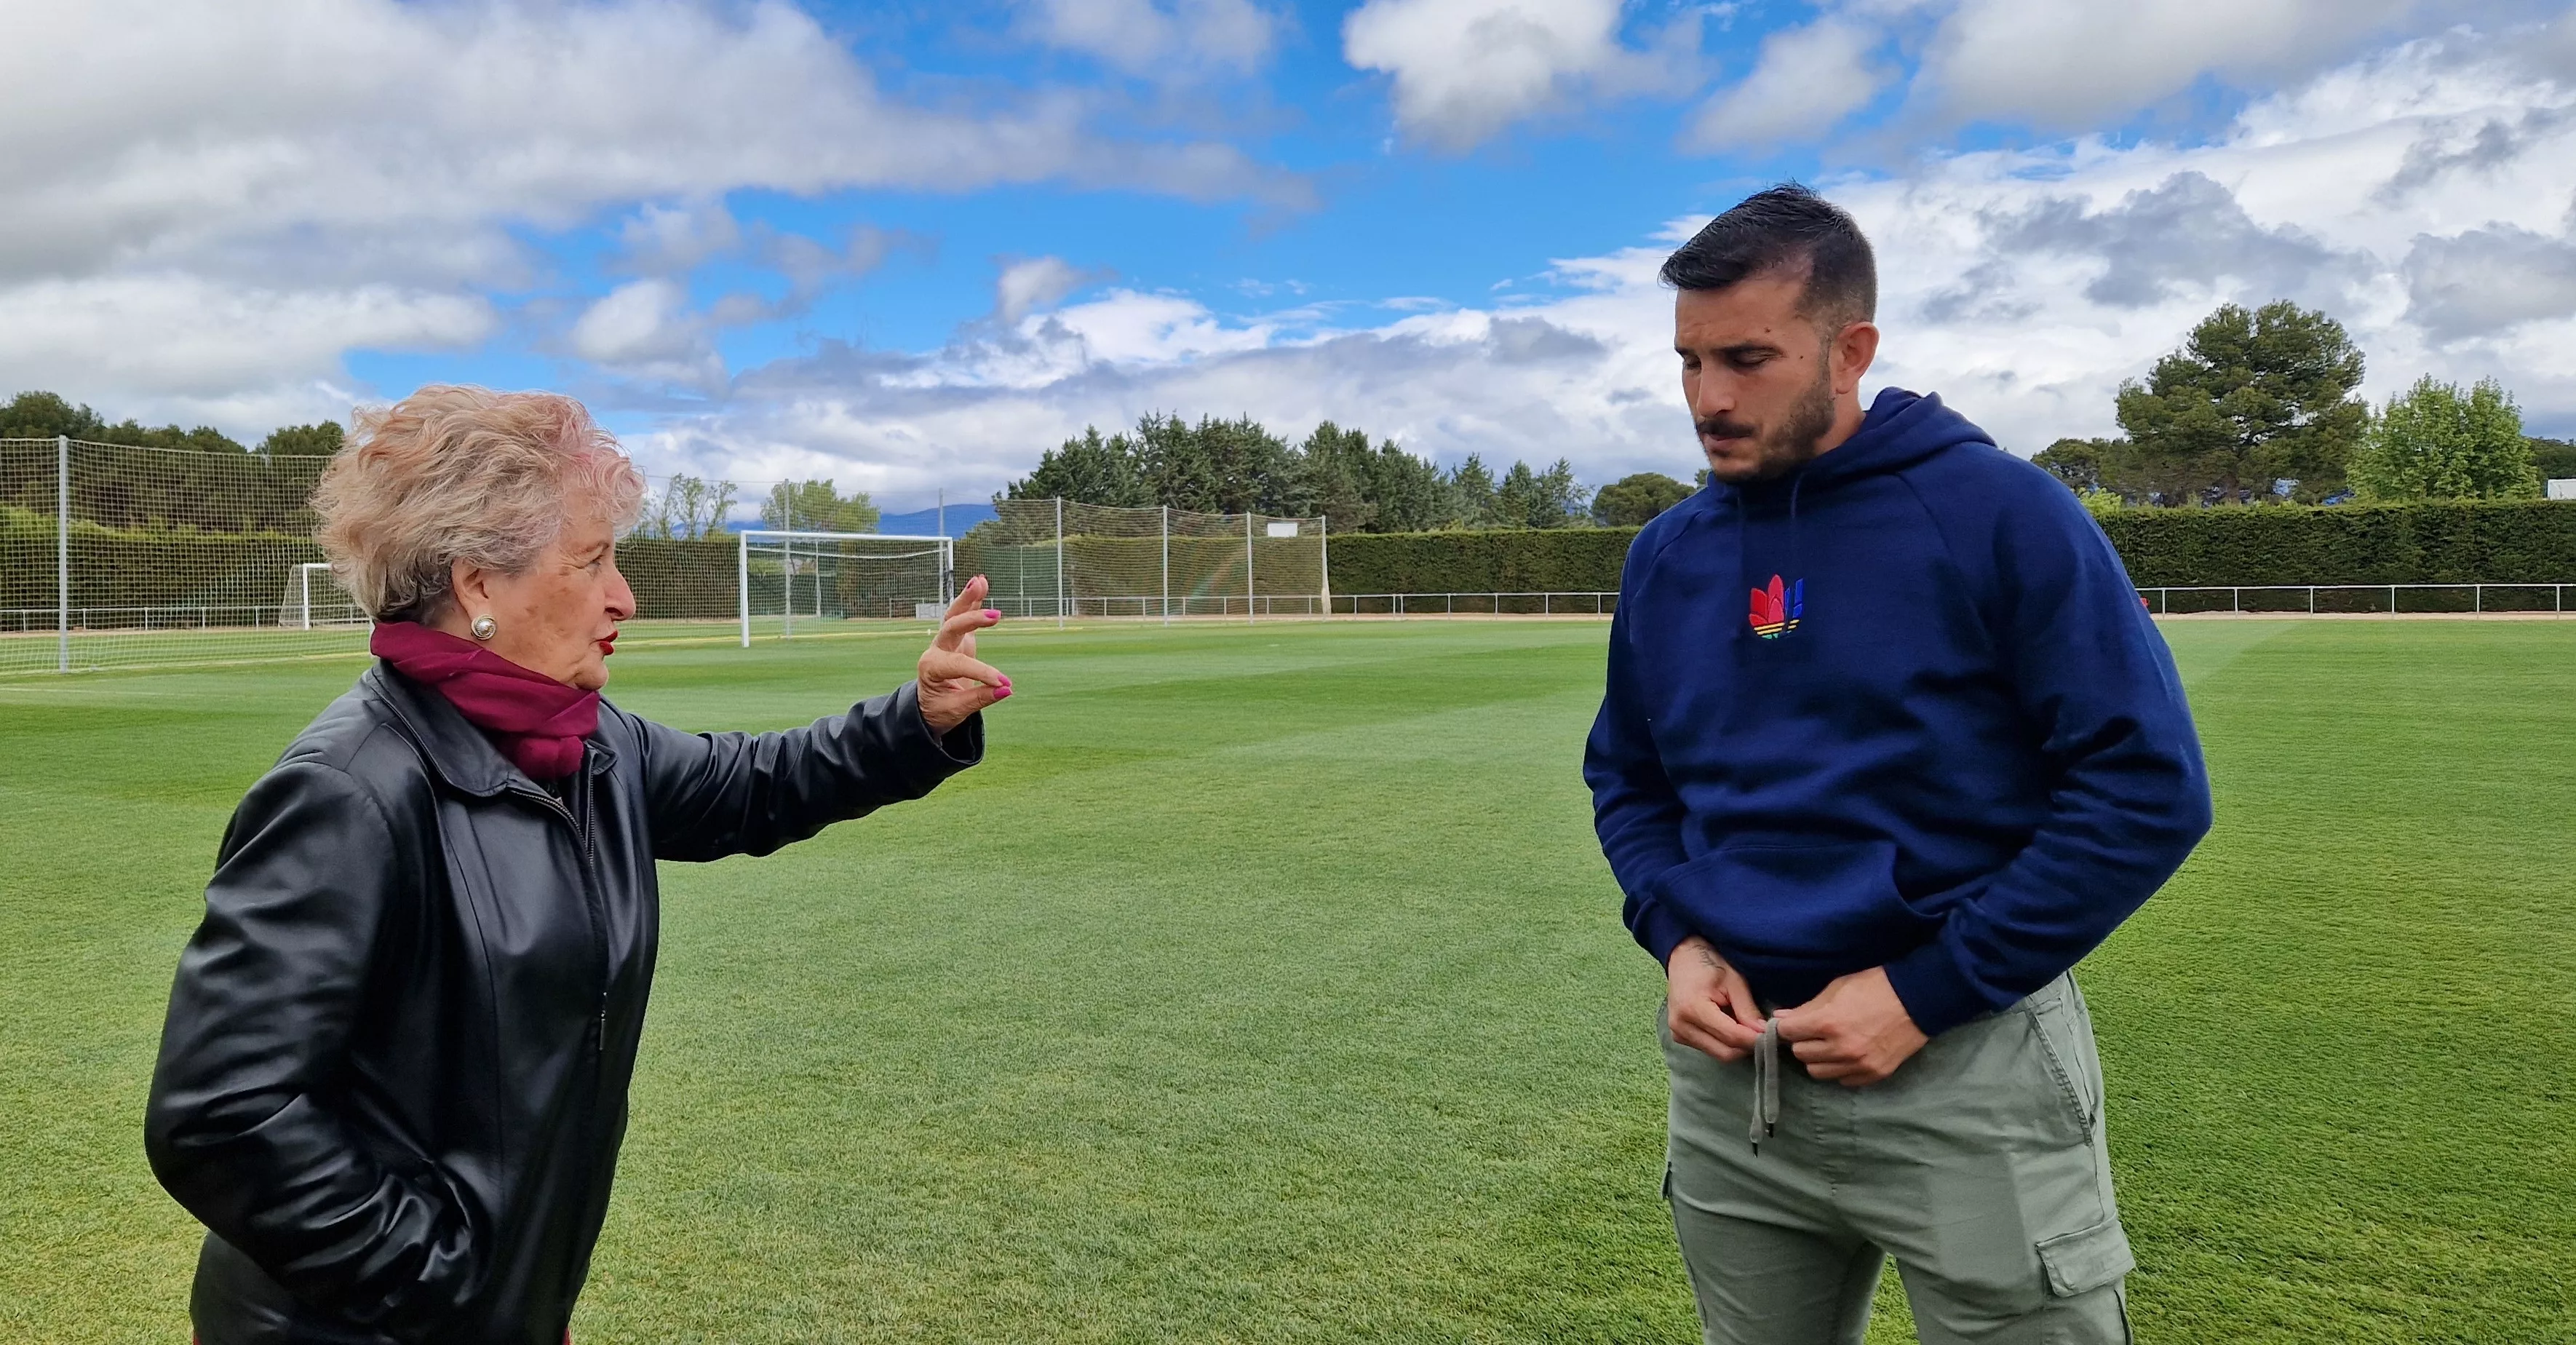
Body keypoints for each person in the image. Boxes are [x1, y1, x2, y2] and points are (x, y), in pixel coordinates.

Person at [143, 386, 1009, 1344]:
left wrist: (916, 719)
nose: (623, 596)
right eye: (591, 560)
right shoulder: (352, 791)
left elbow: (755, 785)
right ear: (478, 585)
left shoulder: (592, 748)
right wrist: (447, 1287)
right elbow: (222, 1115)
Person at [1584, 185, 2211, 1344]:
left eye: (1748, 358)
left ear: (1851, 347)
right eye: (1688, 363)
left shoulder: (2001, 514)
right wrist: (1676, 937)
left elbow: (2145, 788)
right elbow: (1629, 779)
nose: (1709, 399)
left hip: (1965, 1074)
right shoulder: (1666, 555)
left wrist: (1924, 991)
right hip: (1738, 1092)